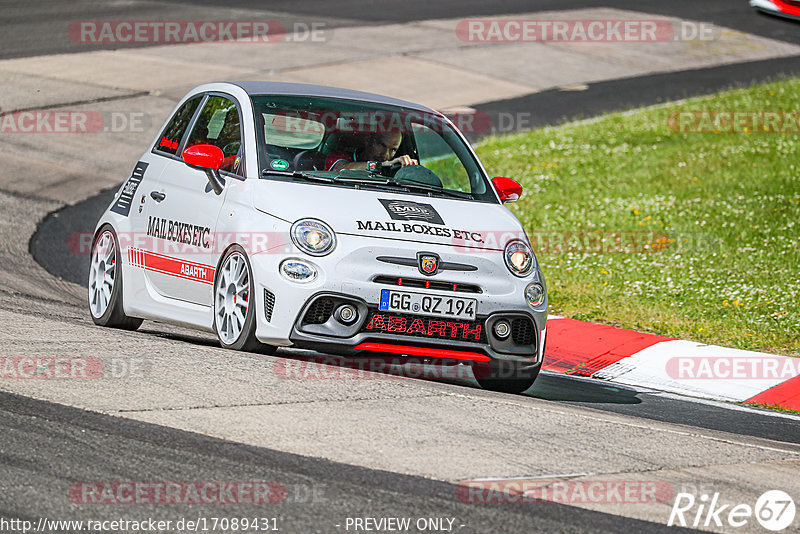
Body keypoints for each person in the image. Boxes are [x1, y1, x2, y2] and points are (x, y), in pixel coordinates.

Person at [325, 130, 417, 172]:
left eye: (393, 150)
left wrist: (411, 168)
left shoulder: (396, 168)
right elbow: (340, 169)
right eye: (382, 146)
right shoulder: (340, 156)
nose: (385, 155)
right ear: (368, 140)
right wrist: (382, 165)